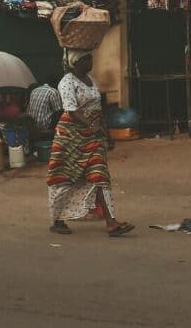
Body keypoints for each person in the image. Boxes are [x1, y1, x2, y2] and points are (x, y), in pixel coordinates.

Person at [46, 49, 132, 237]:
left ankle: (111, 223)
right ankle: (57, 220)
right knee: (64, 178)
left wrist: (106, 134)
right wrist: (91, 125)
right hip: (70, 137)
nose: (90, 62)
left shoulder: (91, 80)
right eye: (86, 59)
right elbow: (71, 110)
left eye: (90, 58)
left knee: (99, 175)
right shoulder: (67, 82)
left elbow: (98, 109)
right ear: (75, 62)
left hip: (92, 136)